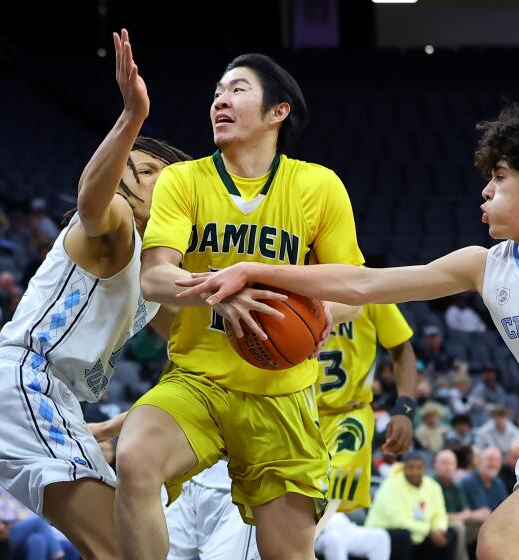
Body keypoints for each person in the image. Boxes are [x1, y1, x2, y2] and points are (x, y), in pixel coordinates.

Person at [177, 106, 519, 559]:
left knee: (499, 543)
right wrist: (256, 271)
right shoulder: (482, 266)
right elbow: (362, 281)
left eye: (499, 178)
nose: (485, 190)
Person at [122, 48, 364, 558]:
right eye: (215, 93)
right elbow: (155, 277)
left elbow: (353, 291)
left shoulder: (318, 187)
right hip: (199, 381)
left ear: (279, 112)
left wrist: (321, 315)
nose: (220, 101)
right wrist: (218, 290)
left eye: (237, 90)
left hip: (282, 394)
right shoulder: (183, 181)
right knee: (137, 457)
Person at [0, 29, 189, 560]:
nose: (144, 173)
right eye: (140, 164)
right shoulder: (114, 231)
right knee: (122, 549)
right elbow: (90, 201)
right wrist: (131, 118)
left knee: (139, 548)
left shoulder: (158, 269)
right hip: (24, 383)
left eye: (157, 172)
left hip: (49, 397)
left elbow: (194, 355)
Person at [317, 303, 417, 515]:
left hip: (348, 414)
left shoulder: (368, 288)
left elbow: (402, 348)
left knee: (321, 497)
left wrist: (405, 408)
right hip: (295, 411)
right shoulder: (290, 278)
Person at [366, 452, 457, 560]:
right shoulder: (391, 485)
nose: (415, 472)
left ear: (425, 469)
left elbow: (440, 514)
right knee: (403, 536)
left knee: (450, 534)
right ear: (404, 468)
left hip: (418, 535)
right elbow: (398, 521)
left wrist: (439, 529)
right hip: (384, 533)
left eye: (419, 468)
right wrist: (429, 530)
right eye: (410, 468)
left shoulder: (433, 486)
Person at [434, 449, 488, 560]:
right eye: (444, 463)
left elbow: (466, 511)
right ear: (435, 465)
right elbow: (435, 516)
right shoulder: (431, 485)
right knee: (459, 526)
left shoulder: (456, 487)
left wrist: (476, 515)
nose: (448, 467)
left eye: (452, 463)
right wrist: (463, 516)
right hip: (439, 527)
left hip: (457, 524)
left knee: (484, 524)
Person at [460, 447, 508, 515]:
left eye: (497, 460)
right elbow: (460, 513)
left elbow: (505, 509)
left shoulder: (498, 483)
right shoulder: (467, 483)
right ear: (480, 461)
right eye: (490, 459)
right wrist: (475, 515)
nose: (494, 464)